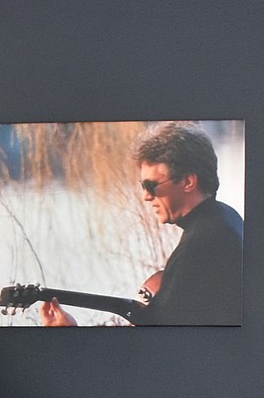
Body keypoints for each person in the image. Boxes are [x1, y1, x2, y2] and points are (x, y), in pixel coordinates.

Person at [42, 120, 243, 326]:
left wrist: (71, 334)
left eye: (151, 185)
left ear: (188, 182)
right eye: (142, 186)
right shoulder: (225, 217)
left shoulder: (200, 245)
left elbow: (159, 347)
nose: (146, 196)